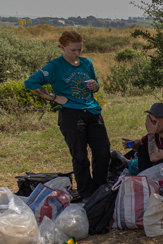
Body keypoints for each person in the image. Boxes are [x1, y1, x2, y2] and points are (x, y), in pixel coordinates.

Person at [24, 30, 110, 199]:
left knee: (103, 153)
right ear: (61, 47)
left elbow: (95, 83)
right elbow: (31, 83)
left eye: (80, 49)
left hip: (92, 111)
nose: (77, 53)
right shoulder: (55, 66)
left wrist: (95, 86)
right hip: (71, 114)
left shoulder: (86, 63)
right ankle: (87, 194)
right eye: (73, 50)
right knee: (80, 156)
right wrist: (54, 97)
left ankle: (101, 192)